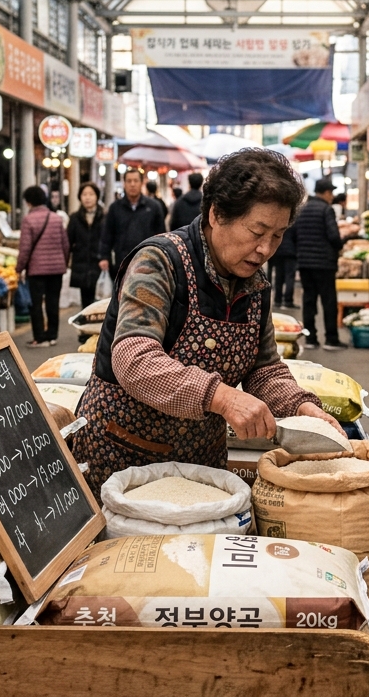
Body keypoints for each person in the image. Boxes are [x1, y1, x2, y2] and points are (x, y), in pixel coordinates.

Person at [68, 149, 342, 495]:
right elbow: (133, 359)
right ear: (216, 214)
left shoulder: (255, 283)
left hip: (201, 464)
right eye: (258, 231)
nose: (266, 249)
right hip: (124, 458)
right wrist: (222, 397)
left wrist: (300, 406)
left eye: (278, 235)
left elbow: (264, 368)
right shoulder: (158, 262)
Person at [293, 177, 346, 350]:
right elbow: (333, 236)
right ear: (326, 193)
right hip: (324, 263)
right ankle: (331, 339)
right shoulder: (326, 209)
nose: (332, 196)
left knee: (309, 300)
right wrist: (340, 244)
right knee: (328, 301)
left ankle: (310, 338)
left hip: (305, 263)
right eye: (331, 193)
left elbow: (293, 234)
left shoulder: (301, 209)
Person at [17, 186, 71, 348]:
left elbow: (25, 248)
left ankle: (39, 337)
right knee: (53, 302)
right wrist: (63, 262)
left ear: (28, 202)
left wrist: (19, 268)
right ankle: (52, 336)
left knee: (36, 303)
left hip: (36, 270)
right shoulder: (55, 218)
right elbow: (65, 245)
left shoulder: (28, 220)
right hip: (56, 269)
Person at [99, 168, 167, 276]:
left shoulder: (154, 207)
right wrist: (104, 257)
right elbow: (107, 235)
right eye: (129, 181)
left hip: (148, 262)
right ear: (124, 184)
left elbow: (161, 235)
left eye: (136, 181)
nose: (132, 184)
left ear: (141, 183)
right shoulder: (115, 208)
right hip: (122, 262)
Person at [67, 182, 106, 315]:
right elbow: (68, 241)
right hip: (82, 264)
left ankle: (101, 333)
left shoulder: (104, 217)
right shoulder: (74, 218)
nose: (87, 198)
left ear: (97, 197)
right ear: (80, 197)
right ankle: (85, 333)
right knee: (85, 301)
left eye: (91, 194)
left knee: (102, 301)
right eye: (84, 194)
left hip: (100, 263)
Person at [269, 218, 298, 310]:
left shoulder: (279, 221)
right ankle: (288, 300)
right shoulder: (293, 223)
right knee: (289, 276)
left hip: (279, 251)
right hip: (290, 252)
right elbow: (296, 236)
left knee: (279, 277)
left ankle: (277, 300)